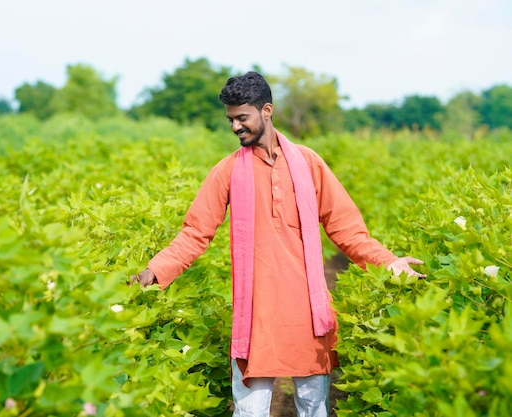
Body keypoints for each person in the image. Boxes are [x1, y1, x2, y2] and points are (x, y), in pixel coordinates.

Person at [131, 71, 424, 417]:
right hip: (256, 315)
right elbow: (195, 233)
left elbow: (347, 230)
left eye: (242, 117)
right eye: (230, 119)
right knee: (250, 411)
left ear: (266, 111)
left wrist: (388, 262)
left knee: (313, 408)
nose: (235, 127)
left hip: (308, 312)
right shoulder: (226, 172)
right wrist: (156, 269)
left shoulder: (309, 163)